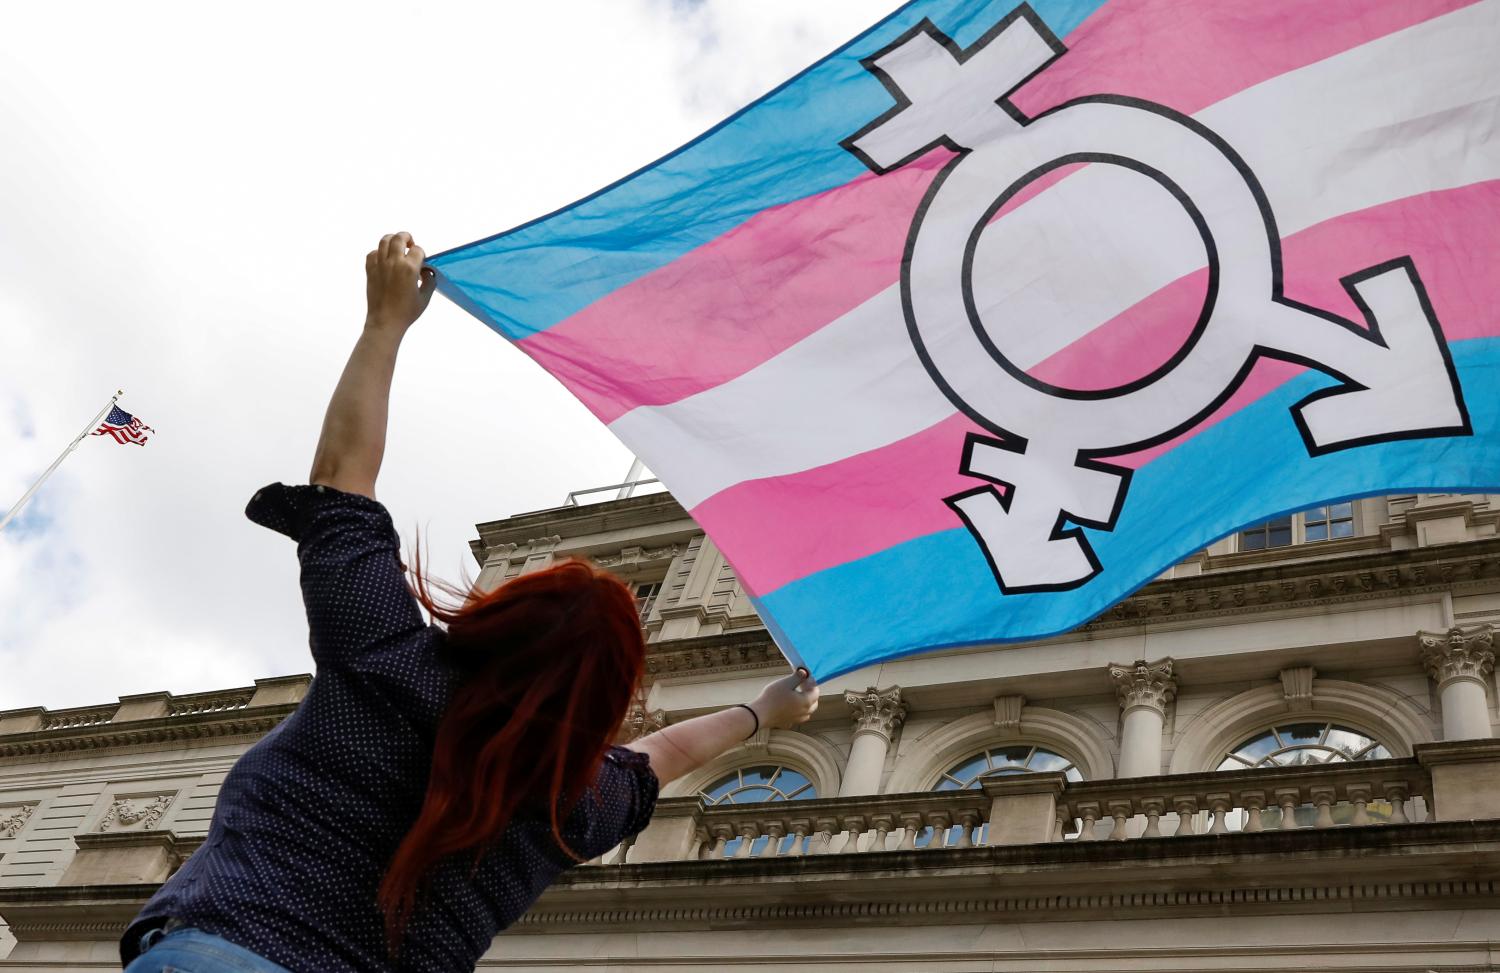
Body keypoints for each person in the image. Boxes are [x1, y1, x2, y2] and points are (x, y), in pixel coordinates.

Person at [121, 232, 820, 972]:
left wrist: (383, 326)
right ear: (612, 689)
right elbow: (667, 751)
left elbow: (341, 479)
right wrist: (763, 714)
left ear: (498, 615)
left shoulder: (386, 658)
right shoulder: (575, 803)